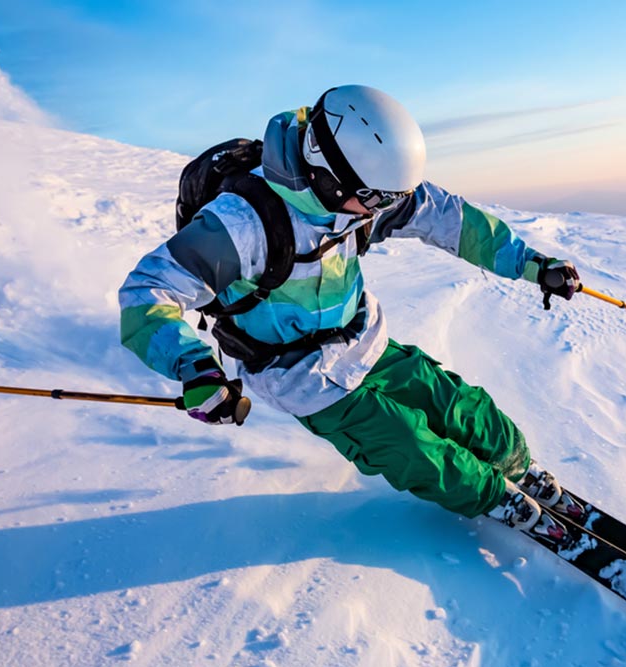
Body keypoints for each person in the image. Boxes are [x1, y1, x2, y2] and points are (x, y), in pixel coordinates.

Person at [118, 84, 581, 538]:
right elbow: (148, 291)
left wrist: (532, 265)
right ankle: (491, 496)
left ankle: (517, 464)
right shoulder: (244, 224)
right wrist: (196, 369)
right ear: (326, 174)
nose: (386, 208)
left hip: (362, 339)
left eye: (394, 196)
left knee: (460, 407)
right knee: (412, 446)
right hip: (299, 375)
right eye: (380, 198)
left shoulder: (362, 195)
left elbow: (449, 217)